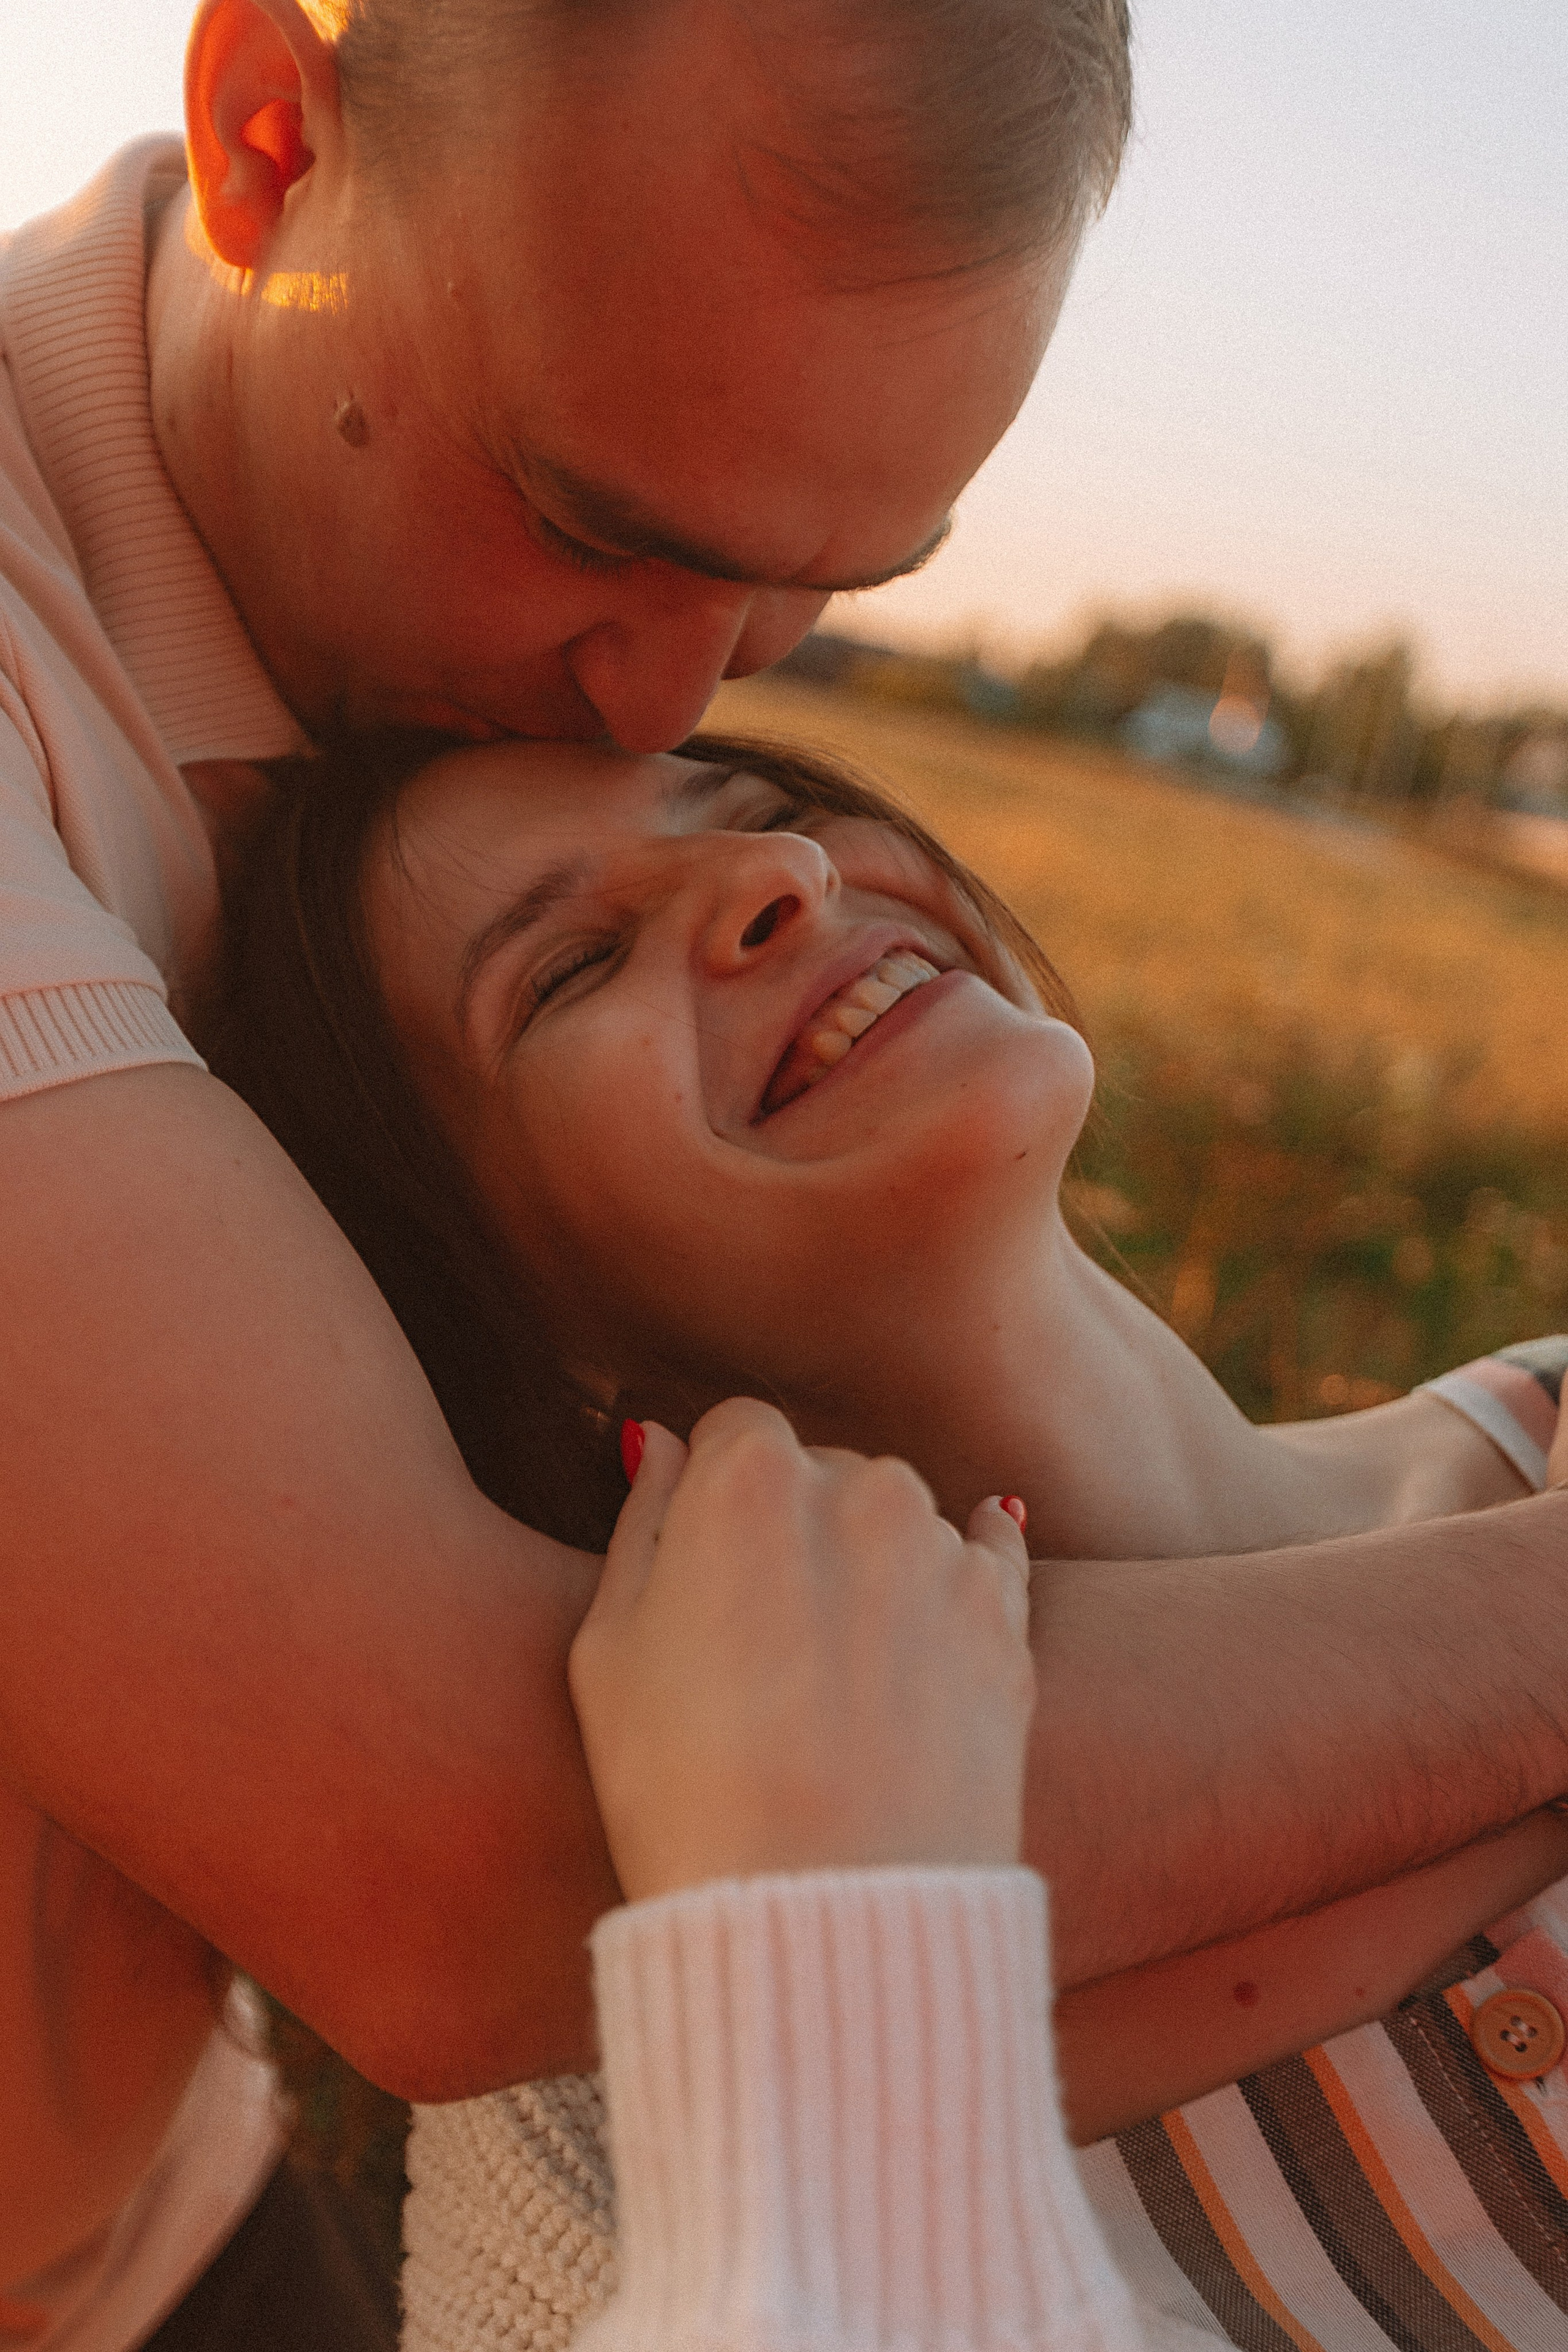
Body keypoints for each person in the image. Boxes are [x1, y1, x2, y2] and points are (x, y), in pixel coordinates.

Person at [0, 0, 1135, 2341]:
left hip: (160, 2218)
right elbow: (444, 1860)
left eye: (831, 588)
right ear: (270, 132)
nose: (672, 703)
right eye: (595, 526)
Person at [208, 726, 1568, 2347]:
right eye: (570, 968)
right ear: (492, 1319)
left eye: (772, 810)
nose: (780, 873)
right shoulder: (679, 2153)